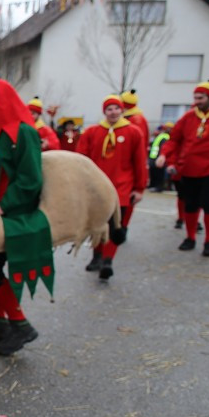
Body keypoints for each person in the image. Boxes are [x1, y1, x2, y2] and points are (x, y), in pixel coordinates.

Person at [0, 73, 54, 356]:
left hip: (15, 215)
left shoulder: (24, 133)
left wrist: (2, 204)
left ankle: (20, 324)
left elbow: (30, 179)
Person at [76, 95, 147, 280]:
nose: (113, 112)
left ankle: (108, 260)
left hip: (122, 188)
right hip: (97, 187)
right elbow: (81, 159)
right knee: (96, 224)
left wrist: (139, 188)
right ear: (104, 112)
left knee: (116, 225)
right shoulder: (92, 132)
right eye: (109, 109)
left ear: (122, 110)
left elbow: (139, 161)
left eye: (116, 108)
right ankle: (96, 256)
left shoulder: (134, 132)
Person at [158, 79, 209, 257]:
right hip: (190, 169)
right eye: (195, 98)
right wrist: (164, 155)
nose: (197, 101)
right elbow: (174, 139)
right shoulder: (188, 117)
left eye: (200, 98)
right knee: (191, 204)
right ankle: (190, 237)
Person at [148, 122, 173, 192]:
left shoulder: (165, 137)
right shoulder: (162, 136)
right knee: (154, 173)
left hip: (158, 158)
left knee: (159, 174)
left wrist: (161, 157)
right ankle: (153, 185)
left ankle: (158, 187)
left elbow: (163, 148)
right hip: (154, 157)